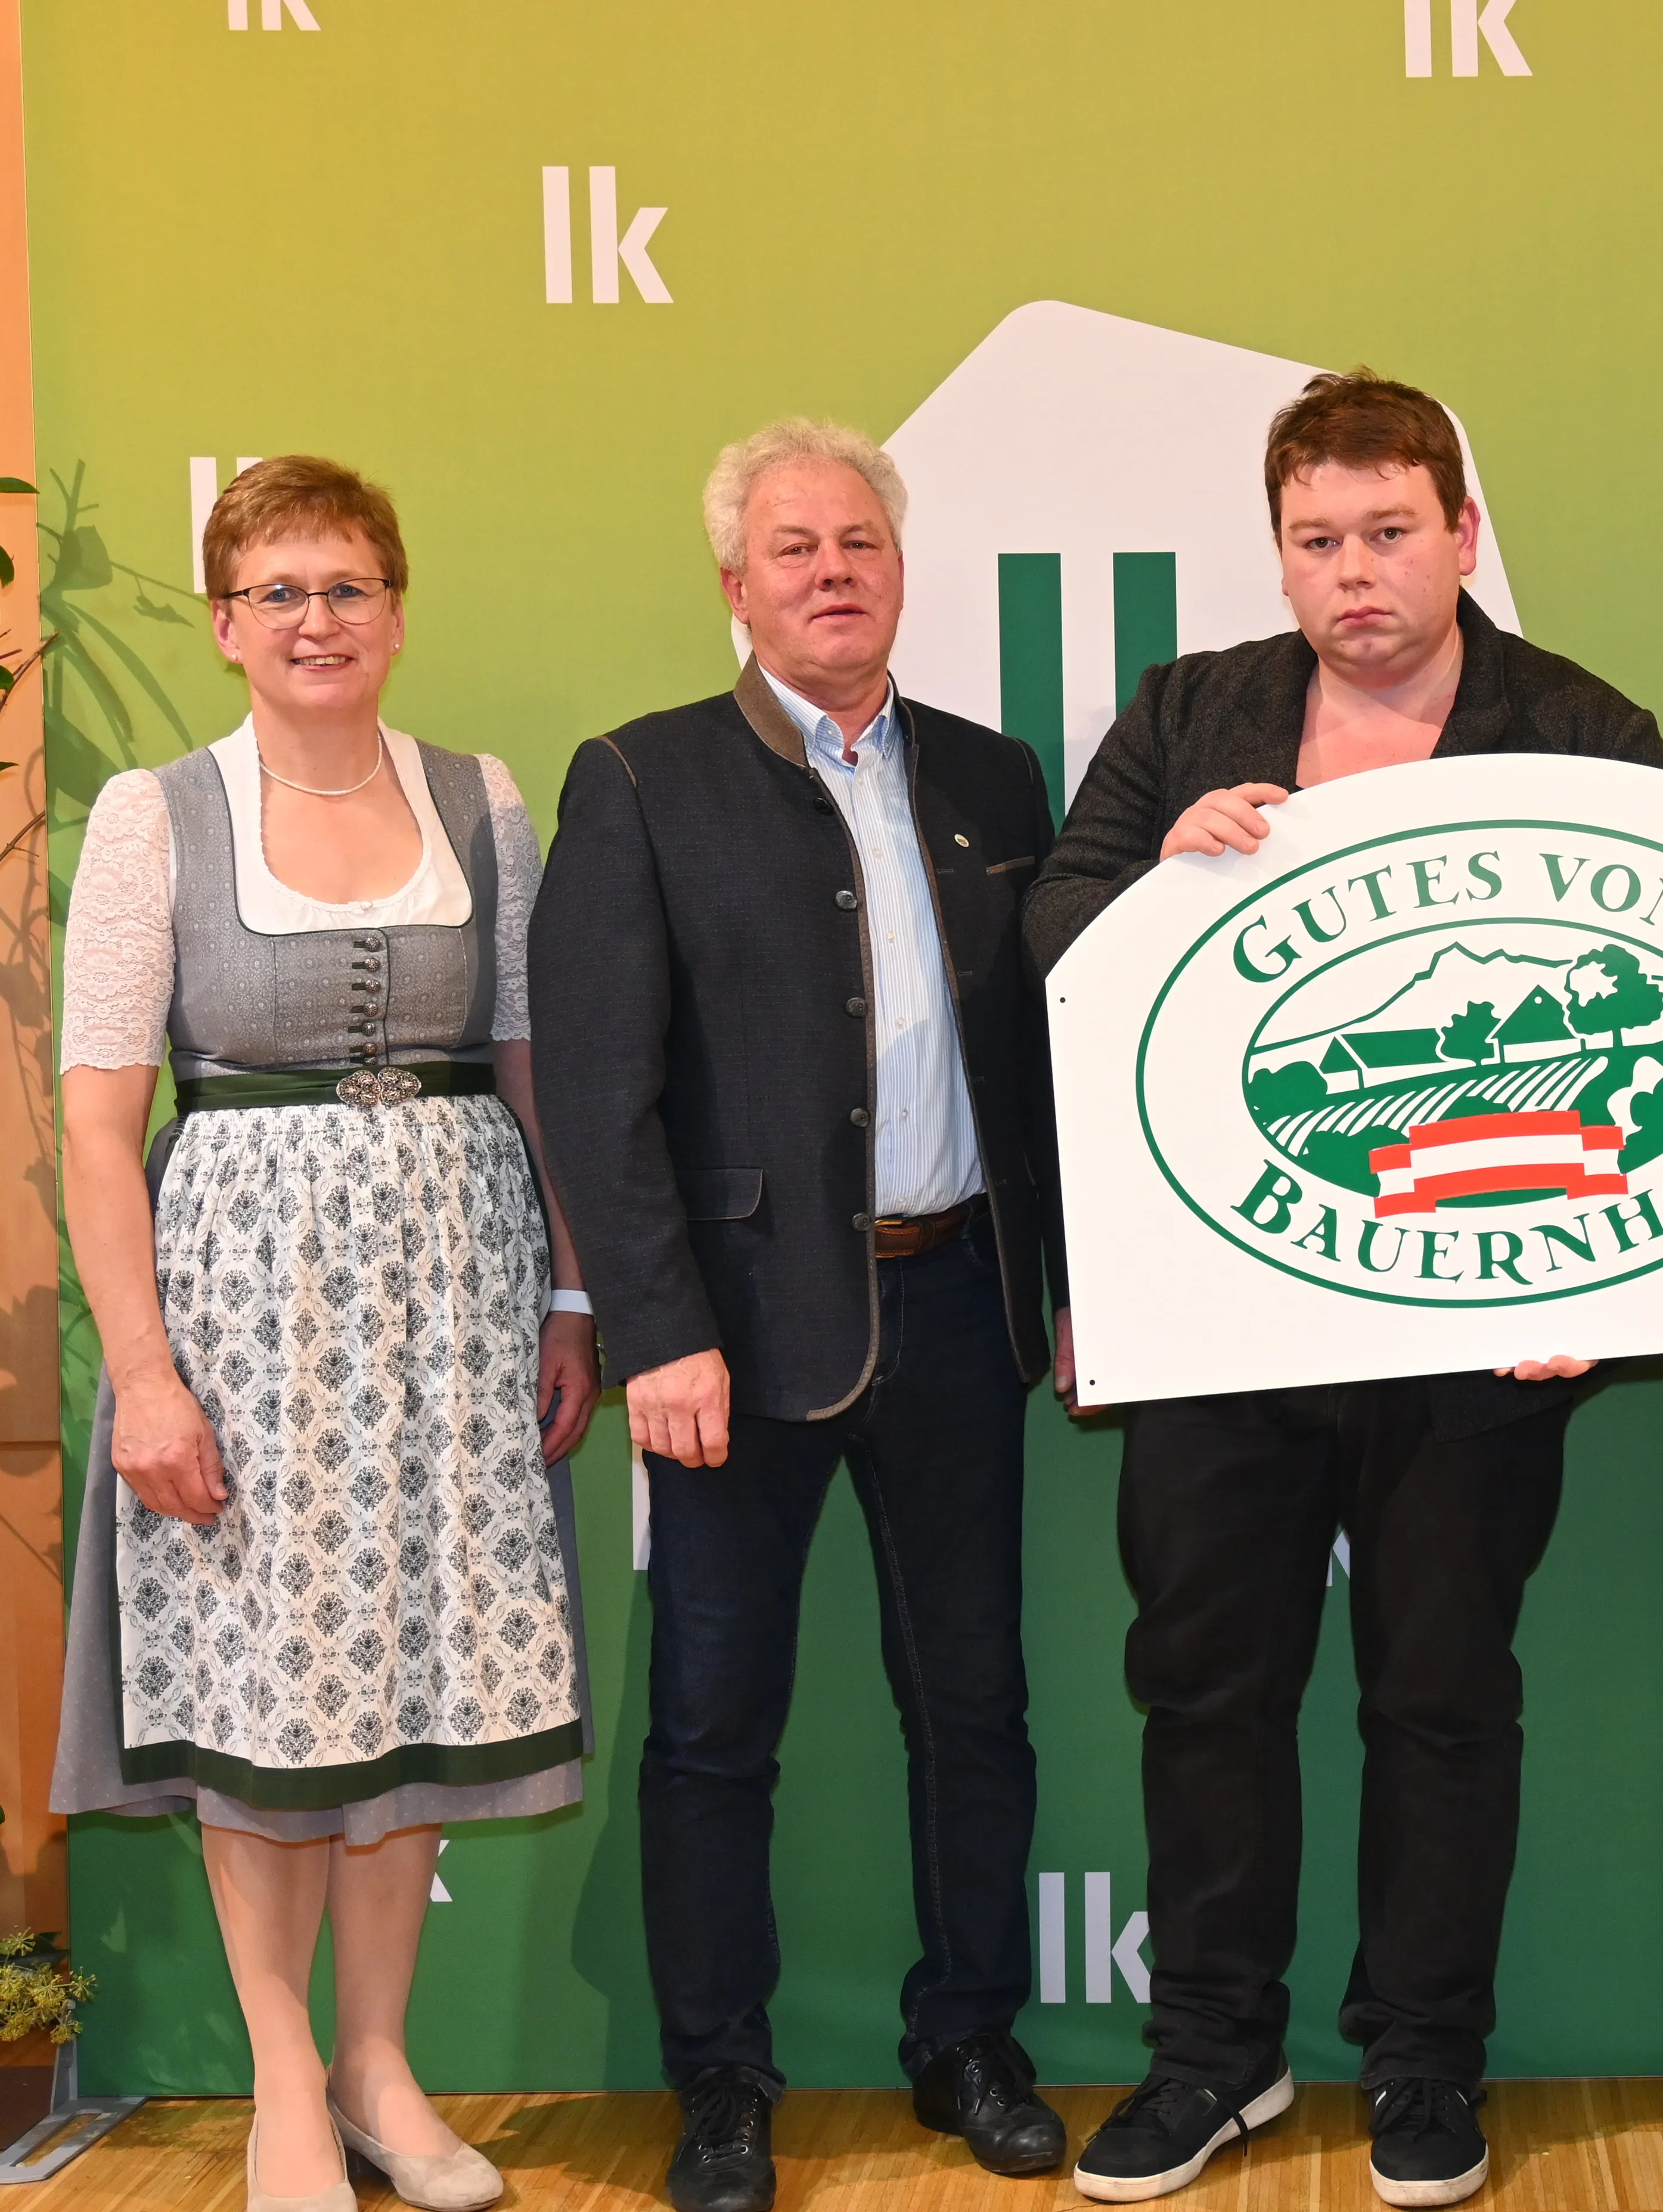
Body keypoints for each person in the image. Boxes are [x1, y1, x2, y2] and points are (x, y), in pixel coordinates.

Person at [1025, 370, 1663, 2209]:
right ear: (1282, 552)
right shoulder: (1191, 711)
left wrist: (1612, 1283)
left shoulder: (1582, 728)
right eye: (1319, 541)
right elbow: (1057, 937)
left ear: (1462, 535)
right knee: (1209, 1688)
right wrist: (1160, 873)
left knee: (1444, 1692)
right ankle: (1213, 2056)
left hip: (1484, 1312)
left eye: (1392, 533)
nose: (1356, 573)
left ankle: (1422, 2061)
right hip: (1229, 1313)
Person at [528, 420, 1069, 2207]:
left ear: (901, 566)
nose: (832, 569)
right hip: (736, 1344)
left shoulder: (1001, 778)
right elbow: (600, 1094)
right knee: (710, 1725)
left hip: (959, 1319)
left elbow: (1052, 1069)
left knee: (974, 1709)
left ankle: (968, 2037)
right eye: (792, 548)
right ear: (734, 583)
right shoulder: (642, 777)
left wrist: (1054, 1291)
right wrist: (654, 1324)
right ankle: (722, 2081)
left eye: (859, 540)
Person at [54, 458, 598, 2212]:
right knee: (264, 1682)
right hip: (245, 1302)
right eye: (280, 591)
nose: (316, 619)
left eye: (348, 586)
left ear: (396, 609)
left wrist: (576, 1287)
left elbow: (534, 1059)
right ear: (226, 624)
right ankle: (286, 2076)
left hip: (460, 1286)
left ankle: (380, 2063)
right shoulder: (158, 817)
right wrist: (144, 1369)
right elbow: (92, 1121)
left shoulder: (482, 800)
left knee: (423, 1670)